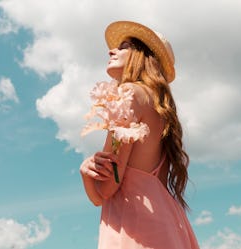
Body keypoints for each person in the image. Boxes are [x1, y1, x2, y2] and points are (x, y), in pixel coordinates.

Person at [80, 20, 200, 249]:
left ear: (142, 56)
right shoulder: (160, 109)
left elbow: (105, 191)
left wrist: (86, 173)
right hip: (168, 222)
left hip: (135, 227)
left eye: (124, 46)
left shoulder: (127, 95)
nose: (111, 50)